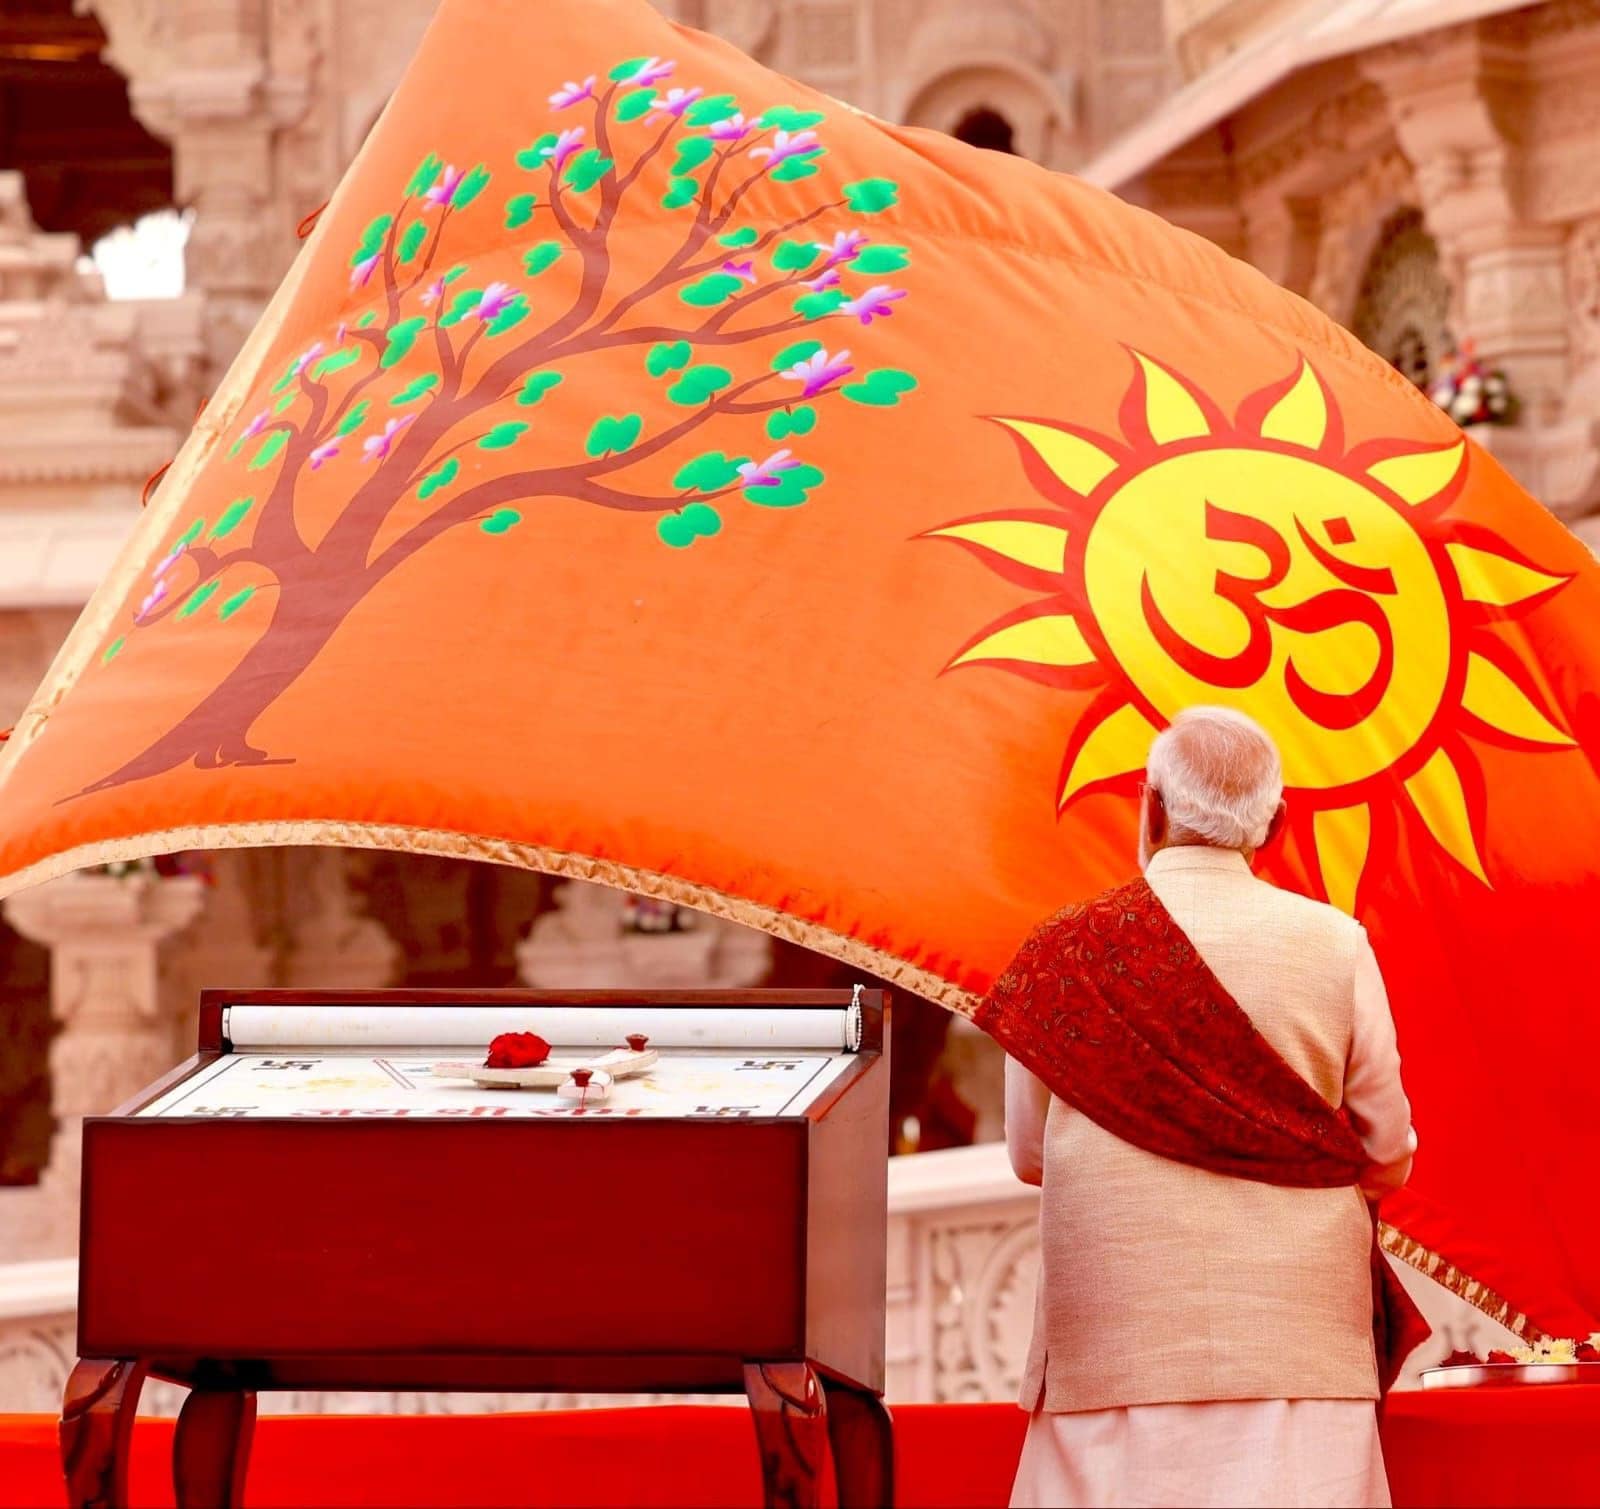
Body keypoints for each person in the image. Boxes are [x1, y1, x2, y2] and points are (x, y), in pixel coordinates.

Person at [991, 705, 1418, 1509]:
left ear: (1150, 806)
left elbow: (1029, 1153)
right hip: (1297, 1342)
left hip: (1114, 1344)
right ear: (1277, 824)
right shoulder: (1335, 943)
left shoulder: (1063, 951)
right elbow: (1384, 1144)